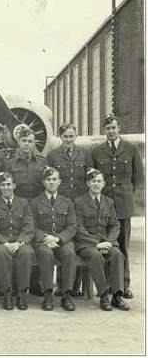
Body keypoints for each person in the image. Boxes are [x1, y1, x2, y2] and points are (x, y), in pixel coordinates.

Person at [92, 114, 143, 299]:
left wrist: (129, 198)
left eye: (114, 127)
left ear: (119, 128)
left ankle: (124, 285)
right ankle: (104, 286)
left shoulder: (131, 149)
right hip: (104, 206)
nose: (111, 131)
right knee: (104, 245)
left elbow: (139, 178)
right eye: (108, 128)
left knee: (123, 246)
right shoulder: (97, 152)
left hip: (123, 206)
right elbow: (93, 178)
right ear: (104, 131)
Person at [74, 169, 129, 311]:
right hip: (86, 244)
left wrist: (109, 242)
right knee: (95, 255)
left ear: (103, 184)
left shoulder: (109, 202)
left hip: (106, 242)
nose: (96, 184)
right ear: (88, 183)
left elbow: (115, 224)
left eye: (99, 181)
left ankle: (117, 295)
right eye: (93, 181)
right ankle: (104, 294)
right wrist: (96, 243)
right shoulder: (79, 202)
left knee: (117, 254)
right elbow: (78, 228)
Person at [47, 123, 91, 297]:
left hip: (79, 203)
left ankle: (76, 286)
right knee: (61, 238)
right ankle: (61, 284)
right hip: (61, 204)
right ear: (60, 138)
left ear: (76, 136)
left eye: (71, 136)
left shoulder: (85, 154)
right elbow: (49, 178)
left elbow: (90, 177)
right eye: (65, 136)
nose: (69, 140)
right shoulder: (52, 156)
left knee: (78, 239)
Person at [7, 125, 47, 296]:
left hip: (37, 208)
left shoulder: (43, 162)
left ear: (34, 143)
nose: (27, 144)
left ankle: (35, 283)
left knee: (36, 243)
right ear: (18, 142)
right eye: (24, 141)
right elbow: (6, 186)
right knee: (19, 243)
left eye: (30, 141)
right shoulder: (9, 163)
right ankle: (16, 283)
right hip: (17, 208)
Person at [30, 167, 77, 311]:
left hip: (62, 240)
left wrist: (58, 239)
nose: (51, 182)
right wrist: (46, 238)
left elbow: (72, 226)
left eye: (54, 179)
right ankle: (48, 294)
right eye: (48, 180)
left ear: (59, 182)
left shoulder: (67, 202)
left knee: (69, 253)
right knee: (46, 254)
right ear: (43, 182)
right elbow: (32, 226)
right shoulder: (35, 202)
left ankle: (66, 295)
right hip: (43, 240)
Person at [0, 172, 35, 310]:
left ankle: (22, 294)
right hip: (1, 242)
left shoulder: (24, 203)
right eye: (3, 185)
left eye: (9, 184)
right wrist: (6, 242)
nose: (6, 188)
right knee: (1, 253)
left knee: (26, 253)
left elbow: (28, 226)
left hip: (20, 242)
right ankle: (7, 293)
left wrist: (19, 242)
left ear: (14, 185)